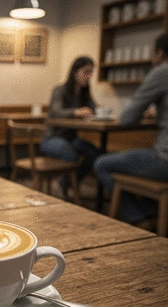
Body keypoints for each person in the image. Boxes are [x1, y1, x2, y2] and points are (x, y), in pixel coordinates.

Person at [94, 32, 168, 227]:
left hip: (165, 162)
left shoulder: (162, 72)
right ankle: (153, 213)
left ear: (159, 54)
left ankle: (139, 217)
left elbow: (126, 118)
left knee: (101, 163)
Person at [41, 56, 101, 199]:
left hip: (71, 138)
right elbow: (55, 112)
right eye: (86, 72)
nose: (89, 76)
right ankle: (64, 185)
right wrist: (76, 112)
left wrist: (101, 111)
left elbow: (94, 109)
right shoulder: (60, 90)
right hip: (52, 138)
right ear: (75, 72)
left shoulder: (85, 93)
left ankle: (64, 184)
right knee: (70, 153)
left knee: (95, 154)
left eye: (91, 72)